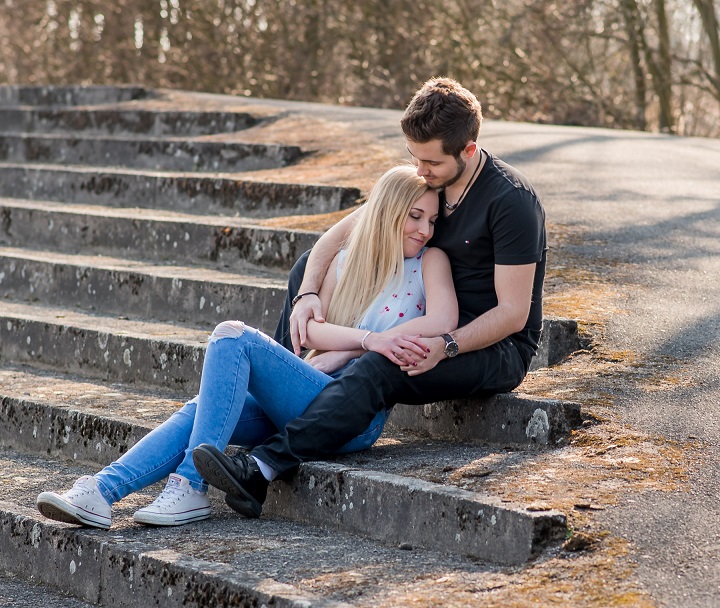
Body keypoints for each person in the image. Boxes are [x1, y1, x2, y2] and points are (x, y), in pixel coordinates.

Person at [192, 77, 548, 519]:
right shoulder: (430, 186)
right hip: (431, 326)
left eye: (430, 161)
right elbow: (332, 241)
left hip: (488, 347)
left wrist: (445, 346)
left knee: (382, 359)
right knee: (308, 265)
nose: (420, 170)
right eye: (413, 157)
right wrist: (305, 296)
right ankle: (296, 384)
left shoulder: (510, 201)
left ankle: (262, 466)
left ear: (468, 151)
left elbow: (514, 315)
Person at [35, 165, 457, 529]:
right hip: (307, 388)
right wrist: (367, 341)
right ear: (386, 213)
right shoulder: (346, 261)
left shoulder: (429, 262)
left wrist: (355, 348)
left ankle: (189, 486)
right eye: (414, 216)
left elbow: (443, 321)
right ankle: (101, 493)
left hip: (353, 417)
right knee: (200, 408)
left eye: (432, 220)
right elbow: (310, 333)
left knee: (232, 335)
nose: (424, 229)